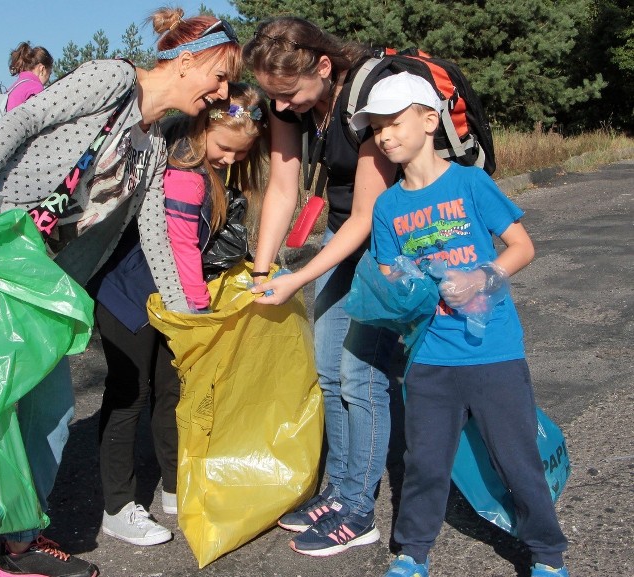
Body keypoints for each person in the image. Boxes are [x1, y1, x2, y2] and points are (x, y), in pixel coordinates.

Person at [0, 8, 241, 577]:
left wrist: (187, 315)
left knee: (48, 413)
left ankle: (20, 547)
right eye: (220, 77)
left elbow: (154, 235)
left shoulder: (153, 142)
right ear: (187, 60)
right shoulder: (112, 79)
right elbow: (22, 121)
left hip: (45, 285)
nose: (222, 92)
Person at [353, 71, 569, 577]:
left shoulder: (471, 182)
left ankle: (547, 554)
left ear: (430, 120)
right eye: (375, 128)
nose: (384, 135)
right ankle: (412, 551)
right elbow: (389, 275)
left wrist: (481, 276)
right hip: (428, 355)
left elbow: (522, 246)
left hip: (493, 349)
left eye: (393, 121)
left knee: (516, 460)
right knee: (425, 462)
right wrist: (403, 282)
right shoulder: (387, 207)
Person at [242, 17, 399, 557]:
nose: (281, 107)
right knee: (326, 370)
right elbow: (283, 188)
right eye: (270, 96)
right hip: (340, 233)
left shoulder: (369, 96)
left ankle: (360, 511)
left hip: (388, 241)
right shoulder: (285, 103)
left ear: (324, 66)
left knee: (361, 377)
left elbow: (365, 218)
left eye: (289, 93)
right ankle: (338, 488)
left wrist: (297, 279)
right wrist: (261, 273)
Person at [91, 83, 268, 547]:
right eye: (225, 148)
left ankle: (175, 485)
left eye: (239, 153)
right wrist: (199, 314)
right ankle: (117, 506)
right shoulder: (185, 174)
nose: (230, 159)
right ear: (204, 129)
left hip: (165, 300)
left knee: (172, 392)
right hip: (129, 296)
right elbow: (182, 250)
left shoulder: (207, 167)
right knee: (130, 394)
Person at [5, 41, 53, 112]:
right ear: (42, 69)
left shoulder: (15, 86)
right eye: (49, 73)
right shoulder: (35, 88)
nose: (48, 79)